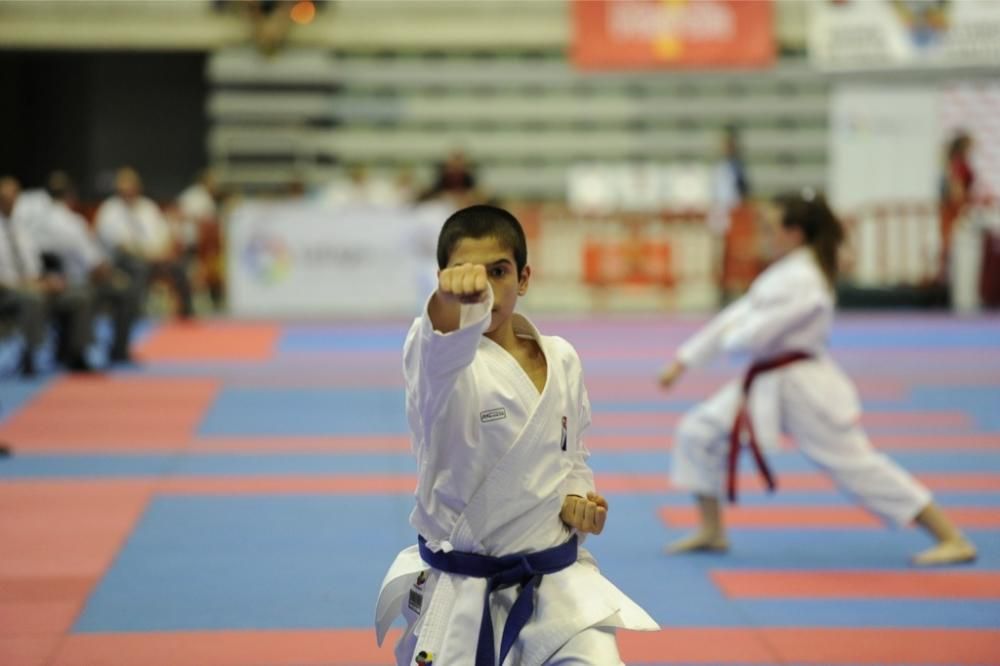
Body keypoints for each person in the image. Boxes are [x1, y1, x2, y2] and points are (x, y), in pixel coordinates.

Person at [375, 205, 657, 665]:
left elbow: (571, 455)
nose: (482, 287)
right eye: (465, 273)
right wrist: (450, 302)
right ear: (442, 278)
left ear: (523, 279)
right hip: (465, 597)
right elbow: (442, 337)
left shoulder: (562, 358)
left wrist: (578, 498)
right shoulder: (436, 363)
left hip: (557, 587)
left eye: (498, 271)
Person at [658, 191, 977, 567]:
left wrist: (729, 341)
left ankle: (951, 536)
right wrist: (685, 359)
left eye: (770, 227)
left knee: (855, 465)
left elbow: (752, 333)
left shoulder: (804, 278)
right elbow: (737, 315)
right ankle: (712, 530)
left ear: (794, 233)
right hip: (769, 378)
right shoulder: (785, 271)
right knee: (698, 431)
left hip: (803, 385)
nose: (763, 234)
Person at [0, 176, 95, 375]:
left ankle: (74, 354)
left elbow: (34, 266)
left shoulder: (21, 228)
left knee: (79, 295)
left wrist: (47, 280)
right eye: (4, 197)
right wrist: (29, 285)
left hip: (35, 285)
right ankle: (29, 357)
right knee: (32, 299)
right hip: (8, 293)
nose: (10, 202)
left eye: (13, 197)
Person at [95, 167, 193, 318]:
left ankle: (186, 315)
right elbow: (122, 246)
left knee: (180, 266)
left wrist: (164, 252)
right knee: (139, 268)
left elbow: (164, 233)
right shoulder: (110, 210)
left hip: (155, 255)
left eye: (131, 189)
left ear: (138, 188)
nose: (128, 194)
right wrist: (148, 255)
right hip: (122, 260)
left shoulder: (148, 206)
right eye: (123, 190)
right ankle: (135, 313)